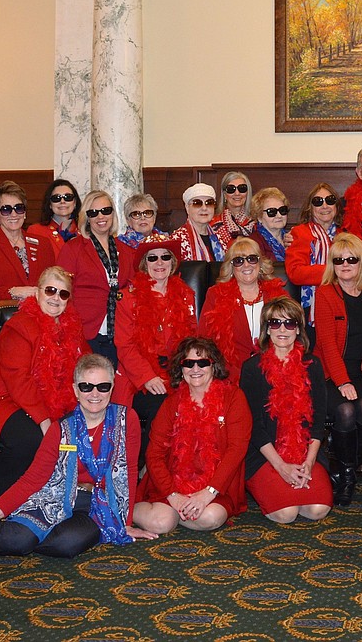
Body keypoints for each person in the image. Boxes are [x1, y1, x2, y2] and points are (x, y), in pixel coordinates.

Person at [0, 355, 157, 555]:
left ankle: (27, 534)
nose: (94, 394)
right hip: (55, 495)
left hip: (96, 504)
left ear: (111, 389)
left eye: (103, 386)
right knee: (19, 540)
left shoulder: (128, 420)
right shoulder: (61, 429)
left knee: (66, 545)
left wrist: (123, 523)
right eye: (86, 386)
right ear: (76, 390)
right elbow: (33, 479)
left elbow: (128, 471)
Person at [0, 266, 88, 499]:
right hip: (2, 401)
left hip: (46, 399)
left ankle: (56, 496)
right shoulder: (19, 327)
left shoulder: (71, 329)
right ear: (38, 292)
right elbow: (19, 380)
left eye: (63, 294)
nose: (55, 298)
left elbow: (86, 365)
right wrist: (43, 420)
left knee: (83, 428)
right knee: (30, 437)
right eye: (50, 290)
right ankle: (4, 500)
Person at [134, 337, 251, 533]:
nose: (195, 369)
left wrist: (207, 493)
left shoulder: (233, 398)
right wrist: (173, 495)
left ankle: (177, 514)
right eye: (188, 363)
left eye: (202, 362)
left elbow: (237, 450)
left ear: (214, 366)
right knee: (161, 524)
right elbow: (154, 454)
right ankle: (128, 510)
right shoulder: (171, 404)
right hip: (173, 484)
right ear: (181, 369)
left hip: (215, 488)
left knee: (210, 518)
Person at [240, 298, 333, 524]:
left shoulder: (313, 365)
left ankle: (296, 488)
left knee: (318, 510)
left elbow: (319, 420)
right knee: (286, 514)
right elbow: (253, 426)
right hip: (265, 454)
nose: (282, 329)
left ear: (299, 329)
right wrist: (281, 466)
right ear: (267, 329)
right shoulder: (251, 368)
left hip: (305, 452)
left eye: (289, 323)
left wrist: (309, 462)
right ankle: (281, 490)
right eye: (275, 323)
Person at [112, 233, 198, 464]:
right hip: (137, 376)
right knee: (163, 406)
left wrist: (188, 373)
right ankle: (147, 466)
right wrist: (147, 377)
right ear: (144, 264)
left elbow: (191, 341)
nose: (159, 263)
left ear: (172, 263)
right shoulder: (127, 299)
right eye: (152, 258)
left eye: (165, 257)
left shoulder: (186, 295)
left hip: (176, 369)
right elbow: (125, 346)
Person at [313, 233, 362, 506]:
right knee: (345, 410)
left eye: (351, 259)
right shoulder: (325, 293)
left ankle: (345, 471)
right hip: (331, 373)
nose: (345, 265)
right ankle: (348, 475)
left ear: (361, 263)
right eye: (338, 260)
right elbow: (327, 344)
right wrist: (342, 381)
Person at [197, 237, 289, 385]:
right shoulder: (216, 294)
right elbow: (204, 341)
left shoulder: (278, 295)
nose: (246, 265)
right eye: (238, 261)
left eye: (252, 259)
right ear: (231, 267)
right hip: (228, 376)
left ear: (260, 263)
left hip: (274, 375)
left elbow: (292, 336)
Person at [57, 189, 133, 368]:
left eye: (106, 211)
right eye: (94, 212)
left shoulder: (126, 250)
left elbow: (132, 288)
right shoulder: (73, 248)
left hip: (119, 332)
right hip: (85, 331)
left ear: (113, 214)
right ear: (86, 217)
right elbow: (62, 291)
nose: (101, 216)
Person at [0, 181, 51, 306]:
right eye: (6, 210)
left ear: (25, 213)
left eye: (19, 208)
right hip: (5, 317)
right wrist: (13, 292)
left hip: (41, 316)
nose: (13, 214)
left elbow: (54, 284)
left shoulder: (43, 243)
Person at [285, 182, 340, 334]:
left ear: (336, 205)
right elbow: (295, 272)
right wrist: (334, 272)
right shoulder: (299, 233)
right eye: (318, 201)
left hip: (342, 305)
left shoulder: (347, 235)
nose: (324, 206)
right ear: (310, 207)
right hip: (311, 309)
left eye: (329, 200)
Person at [173, 183, 233, 262]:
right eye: (197, 203)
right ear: (187, 208)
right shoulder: (177, 240)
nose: (204, 208)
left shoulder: (220, 238)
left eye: (209, 203)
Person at [27, 179, 81, 259]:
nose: (62, 201)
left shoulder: (85, 231)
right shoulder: (36, 231)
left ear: (75, 202)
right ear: (50, 204)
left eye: (68, 197)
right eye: (56, 198)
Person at [250, 187, 292, 261]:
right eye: (272, 212)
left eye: (282, 210)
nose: (279, 216)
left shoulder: (291, 238)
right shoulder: (253, 243)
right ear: (259, 216)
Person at [211, 171, 256, 239]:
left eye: (242, 188)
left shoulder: (257, 222)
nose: (237, 193)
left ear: (247, 193)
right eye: (231, 189)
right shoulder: (213, 223)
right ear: (224, 194)